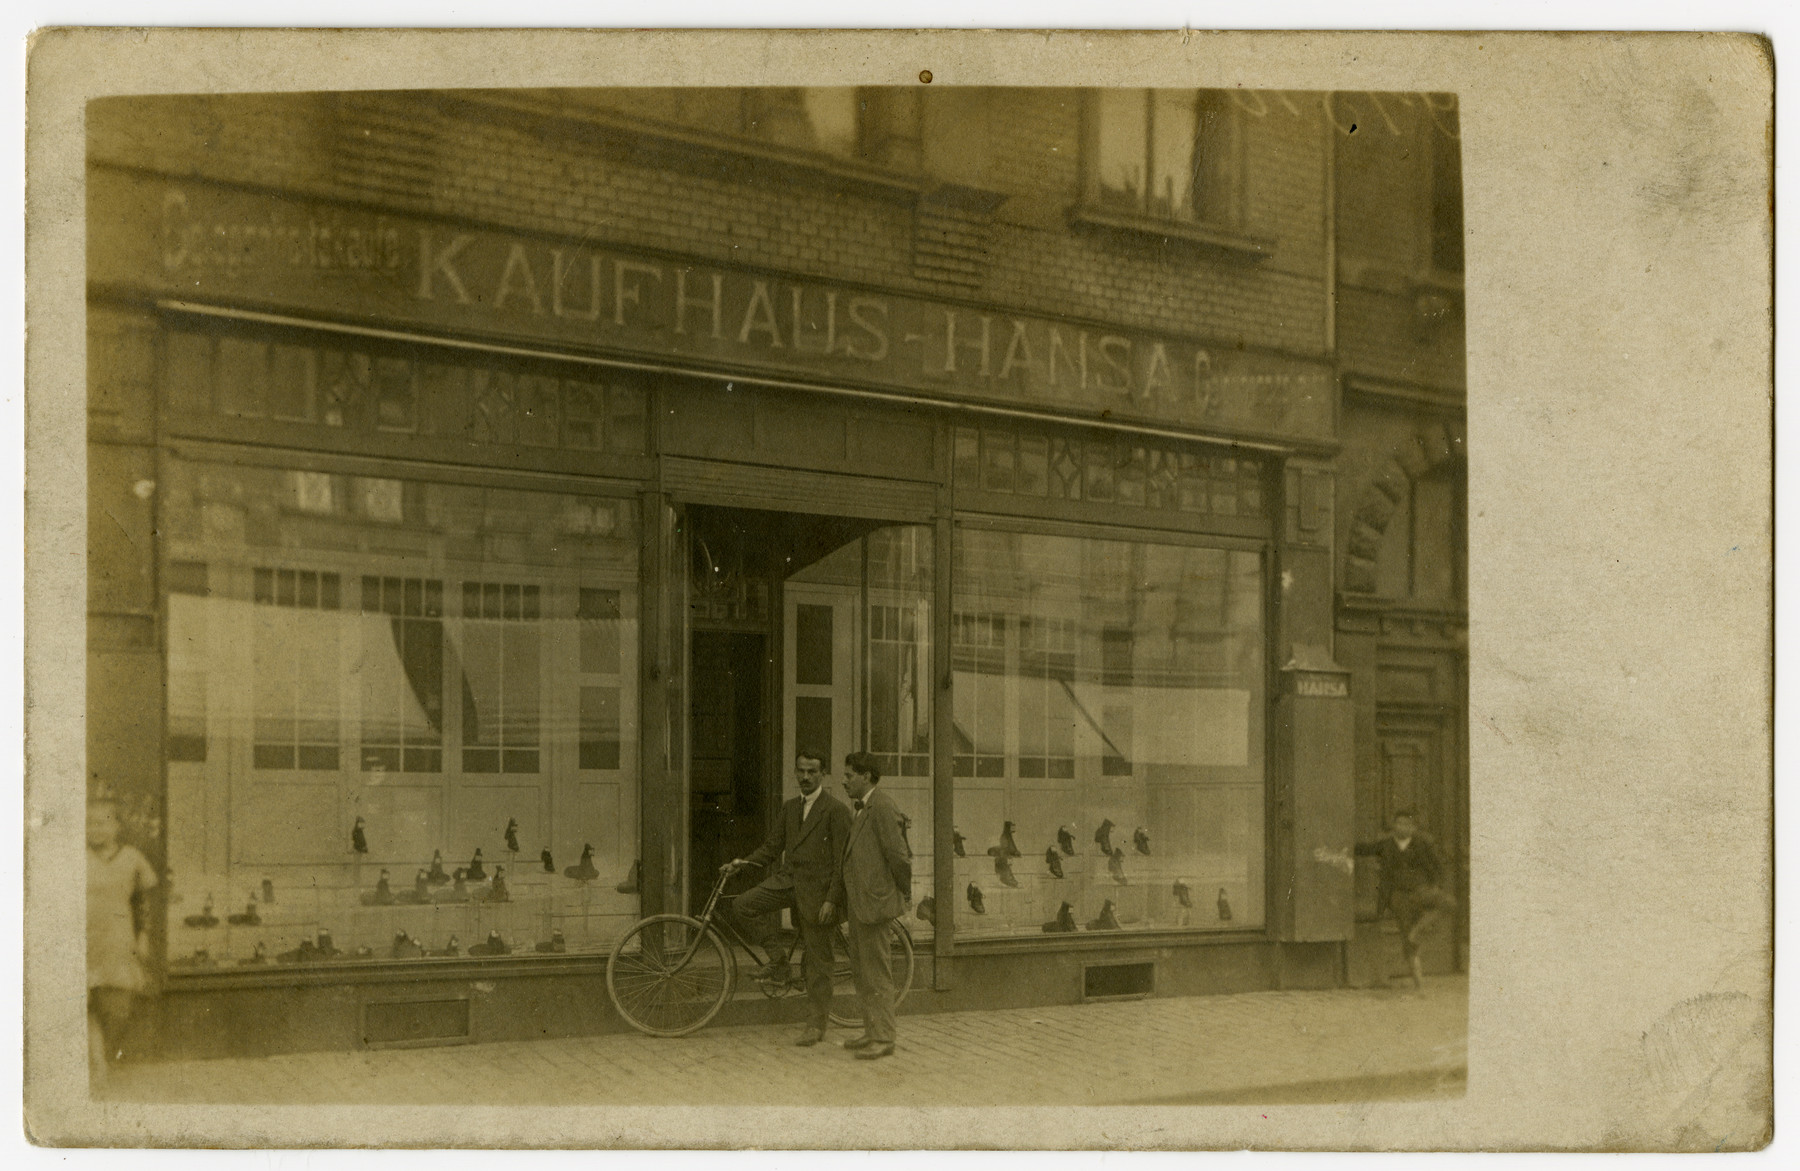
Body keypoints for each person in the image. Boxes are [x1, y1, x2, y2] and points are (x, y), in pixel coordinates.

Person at [722, 749, 853, 1047]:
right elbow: (771, 848)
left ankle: (816, 1026)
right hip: (788, 880)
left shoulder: (835, 810)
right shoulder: (790, 808)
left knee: (818, 963)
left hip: (819, 894)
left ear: (823, 774)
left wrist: (831, 901)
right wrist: (740, 863)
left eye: (812, 772)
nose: (805, 777)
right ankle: (779, 960)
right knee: (742, 905)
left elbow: (841, 864)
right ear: (795, 772)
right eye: (801, 771)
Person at [837, 751, 911, 1060]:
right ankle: (871, 1031)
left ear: (867, 776)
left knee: (877, 972)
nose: (845, 781)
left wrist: (901, 894)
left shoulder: (881, 806)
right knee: (863, 971)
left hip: (875, 904)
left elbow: (898, 856)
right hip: (861, 903)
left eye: (850, 775)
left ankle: (884, 1037)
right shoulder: (864, 807)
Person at [87, 797, 158, 1083]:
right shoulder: (74, 857)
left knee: (118, 1008)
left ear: (117, 825)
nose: (94, 829)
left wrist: (143, 936)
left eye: (102, 822)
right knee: (84, 1003)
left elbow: (144, 902)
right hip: (82, 939)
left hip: (118, 940)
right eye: (89, 823)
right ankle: (97, 1063)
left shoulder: (132, 858)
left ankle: (101, 1054)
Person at [1354, 809, 1455, 989]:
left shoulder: (1422, 844)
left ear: (1414, 827)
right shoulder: (1386, 845)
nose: (1403, 827)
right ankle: (1419, 983)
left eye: (1408, 824)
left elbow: (1439, 867)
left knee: (1448, 903)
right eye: (1399, 823)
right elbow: (1363, 849)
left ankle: (1418, 929)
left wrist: (1436, 885)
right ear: (1393, 825)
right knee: (1406, 936)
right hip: (1398, 896)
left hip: (1421, 890)